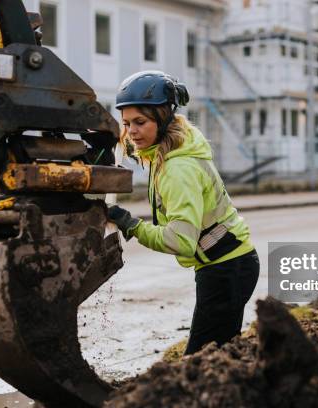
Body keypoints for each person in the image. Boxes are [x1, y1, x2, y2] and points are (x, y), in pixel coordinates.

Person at [107, 71, 259, 355]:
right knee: (219, 354)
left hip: (227, 270)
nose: (132, 132)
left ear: (163, 118)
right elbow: (129, 143)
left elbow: (180, 241)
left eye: (140, 122)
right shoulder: (172, 145)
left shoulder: (178, 170)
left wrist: (132, 225)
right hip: (227, 263)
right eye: (126, 124)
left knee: (201, 360)